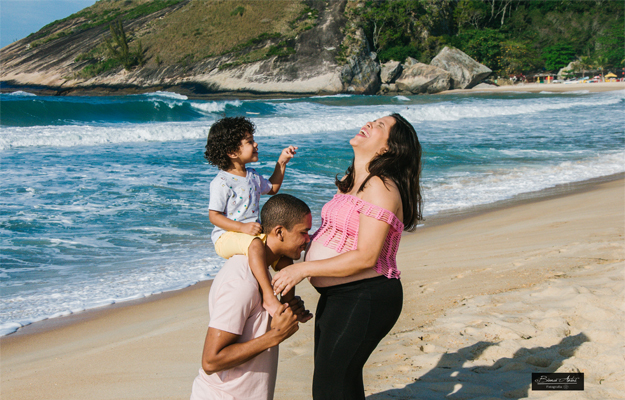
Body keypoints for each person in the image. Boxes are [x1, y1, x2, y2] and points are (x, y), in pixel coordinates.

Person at [272, 114, 423, 399]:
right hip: (342, 296)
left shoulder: (381, 187)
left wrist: (301, 271)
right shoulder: (353, 182)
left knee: (331, 386)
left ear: (389, 148)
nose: (369, 124)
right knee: (340, 383)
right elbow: (343, 237)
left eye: (379, 126)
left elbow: (366, 257)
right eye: (372, 120)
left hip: (366, 297)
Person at [190, 194, 313, 400]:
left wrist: (287, 309)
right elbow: (211, 361)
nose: (308, 240)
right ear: (280, 232)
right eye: (304, 232)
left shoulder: (263, 273)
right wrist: (276, 335)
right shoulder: (242, 283)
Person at [205, 116, 298, 316]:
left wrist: (281, 162)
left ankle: (290, 303)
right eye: (249, 141)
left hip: (250, 234)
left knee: (284, 259)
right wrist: (242, 228)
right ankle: (268, 297)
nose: (256, 144)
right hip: (227, 235)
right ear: (232, 152)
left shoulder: (252, 176)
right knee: (254, 244)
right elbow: (214, 216)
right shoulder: (221, 182)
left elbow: (272, 187)